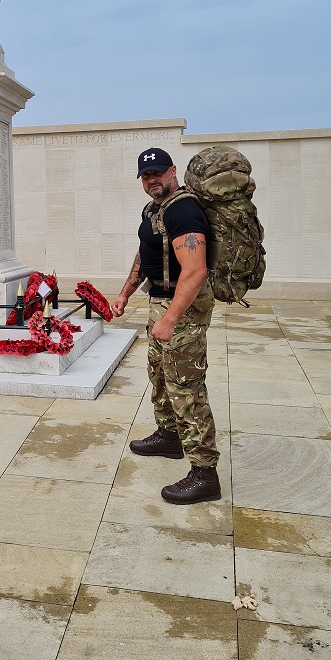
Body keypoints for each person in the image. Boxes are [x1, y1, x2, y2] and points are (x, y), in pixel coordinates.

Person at [112, 147, 221, 504]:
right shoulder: (154, 209)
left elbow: (195, 270)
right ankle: (169, 437)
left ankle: (205, 474)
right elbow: (146, 253)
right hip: (160, 302)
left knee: (186, 389)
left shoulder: (184, 210)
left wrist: (171, 319)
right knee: (159, 376)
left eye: (158, 173)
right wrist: (126, 292)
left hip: (181, 310)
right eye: (146, 175)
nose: (152, 179)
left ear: (173, 171)